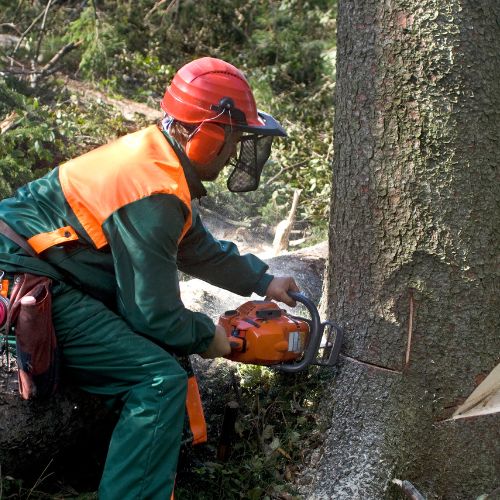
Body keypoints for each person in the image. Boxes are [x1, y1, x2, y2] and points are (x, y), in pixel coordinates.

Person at [0, 57, 299, 498]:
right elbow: (153, 315)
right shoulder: (154, 192)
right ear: (207, 134)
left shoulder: (157, 162)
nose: (235, 152)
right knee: (158, 382)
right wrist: (211, 337)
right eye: (233, 139)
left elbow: (197, 248)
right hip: (30, 276)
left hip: (49, 266)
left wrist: (264, 280)